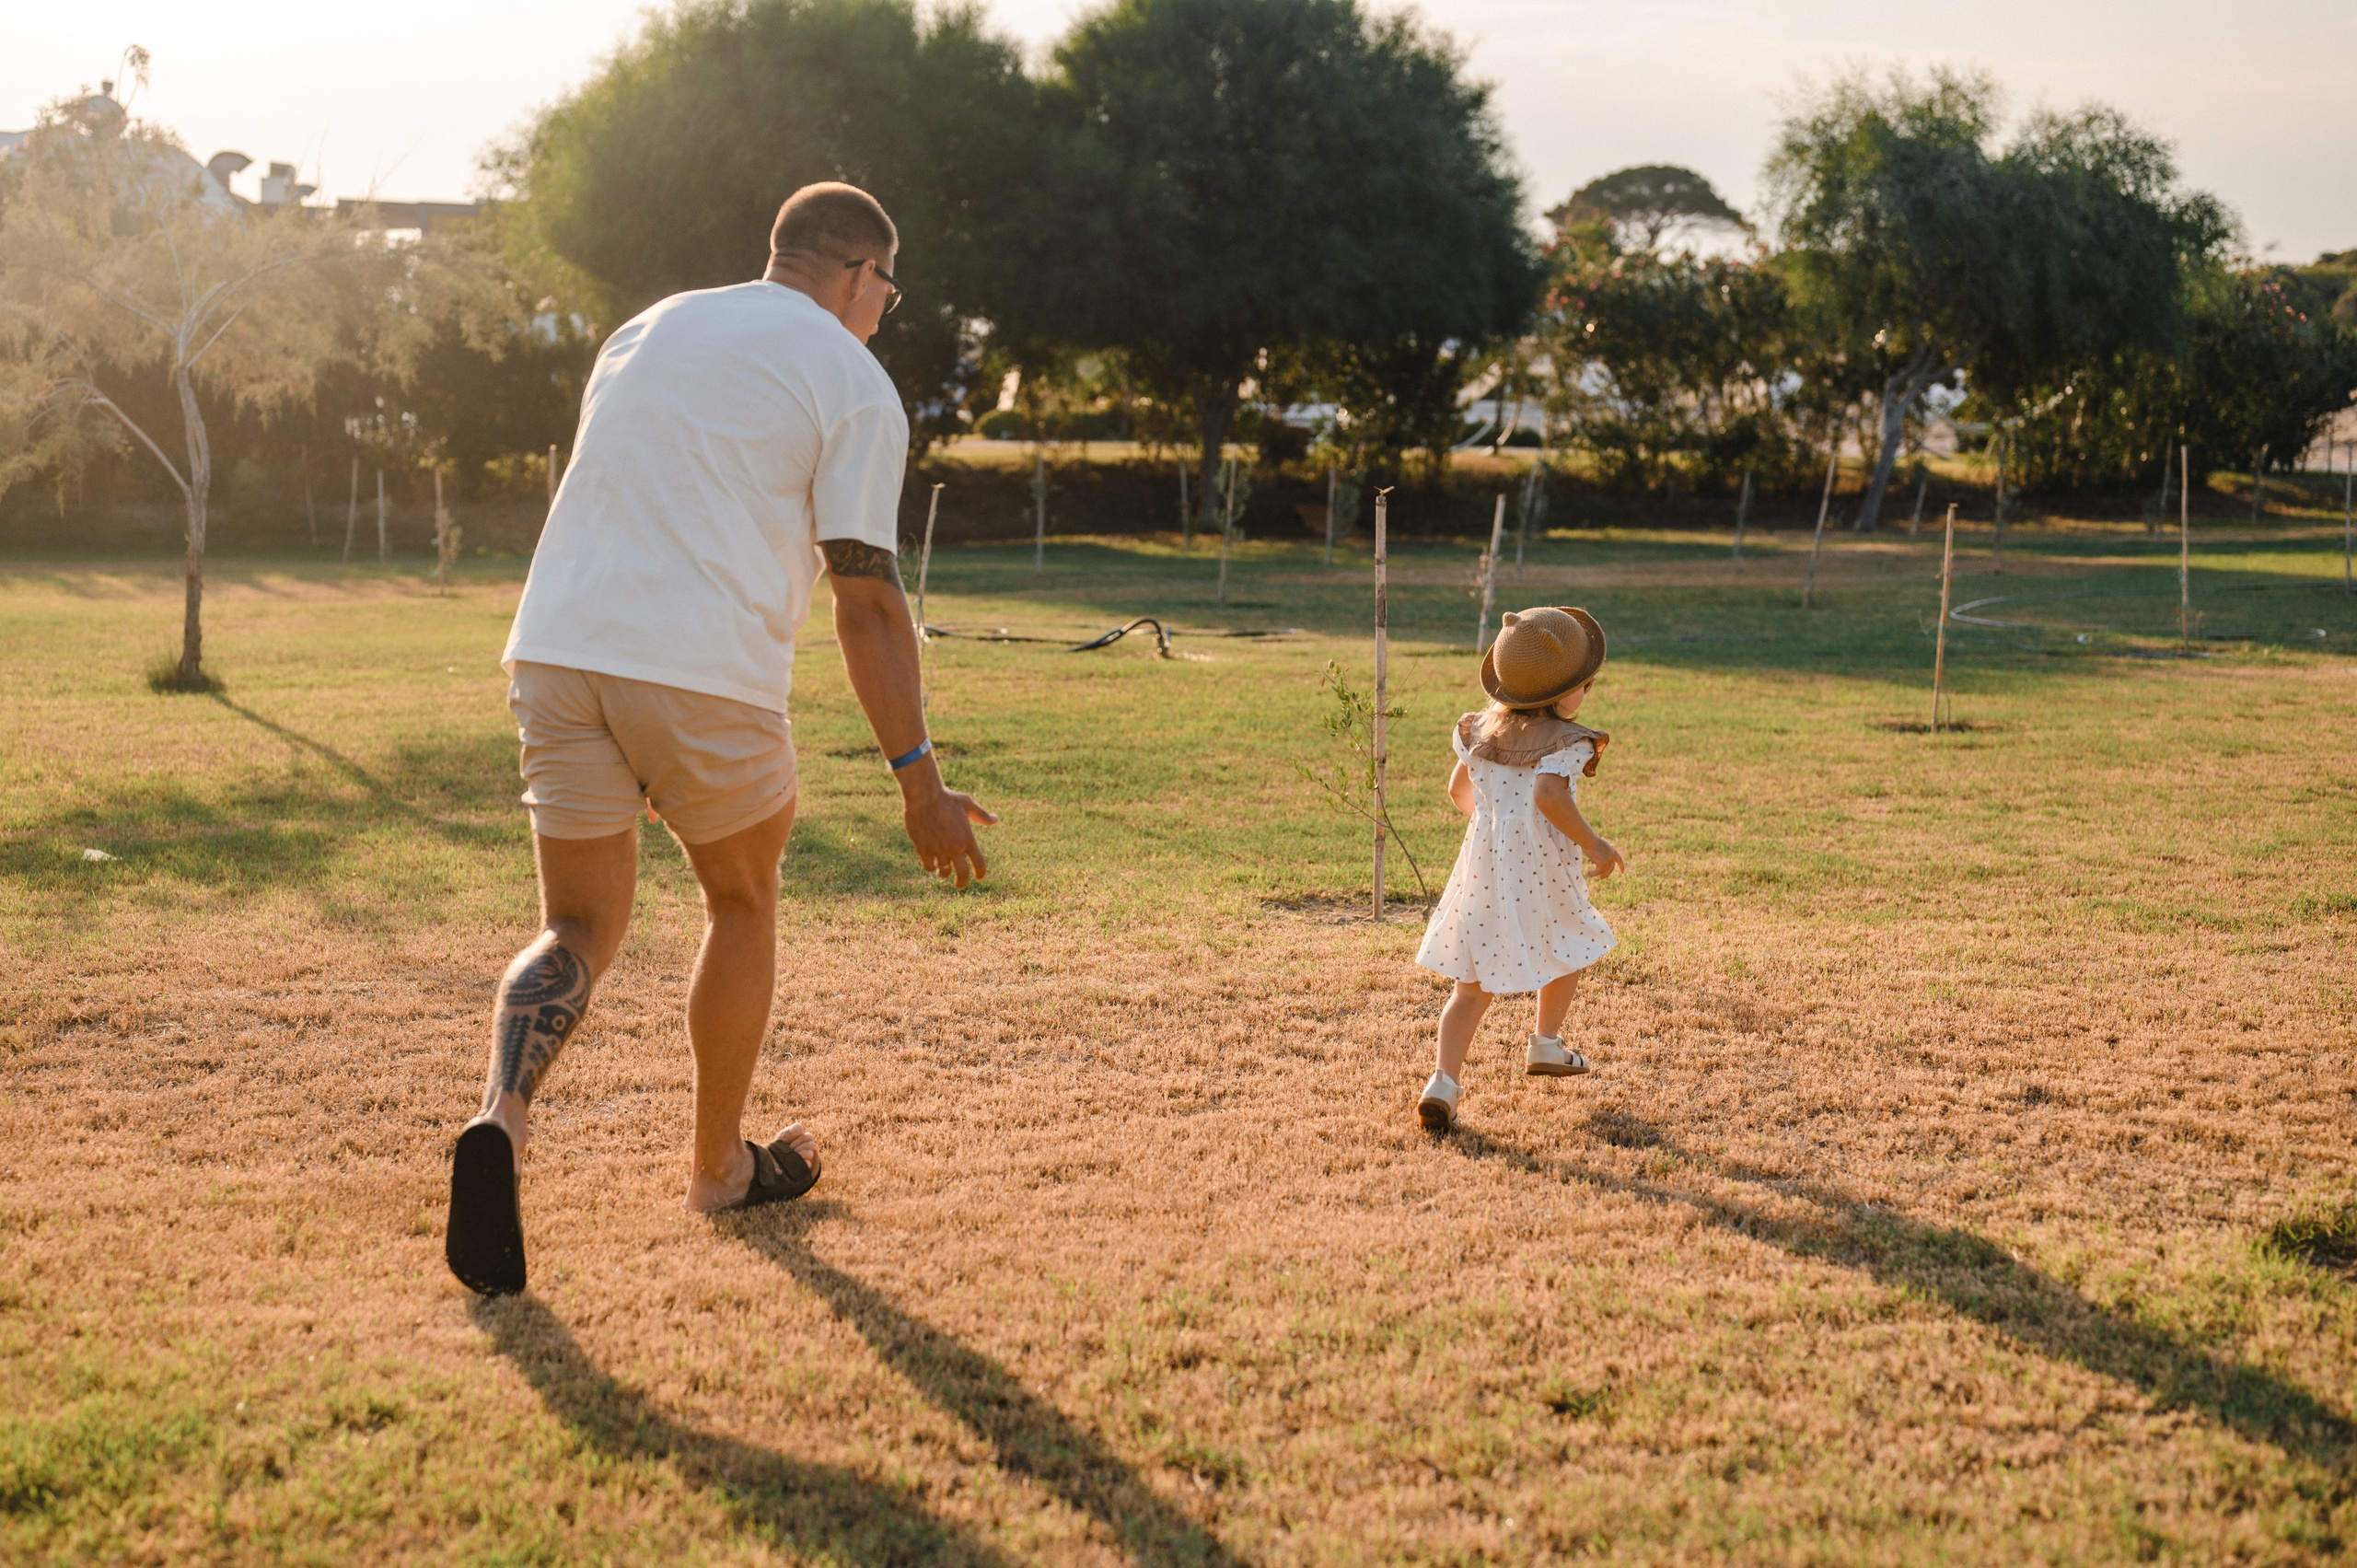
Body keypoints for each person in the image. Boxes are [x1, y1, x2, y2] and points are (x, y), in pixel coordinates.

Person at [444, 182, 996, 1298]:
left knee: (576, 923)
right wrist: (919, 785)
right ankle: (717, 1167)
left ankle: (500, 1115)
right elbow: (867, 600)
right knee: (739, 900)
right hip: (703, 670)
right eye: (888, 285)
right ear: (855, 273)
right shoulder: (852, 380)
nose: (886, 305)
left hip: (554, 644)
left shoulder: (646, 326)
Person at [1413, 607, 1627, 1132]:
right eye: (1586, 685)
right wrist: (1596, 845)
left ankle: (1443, 1082)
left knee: (1470, 986)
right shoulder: (1568, 742)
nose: (1589, 694)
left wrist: (1497, 826)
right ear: (1563, 695)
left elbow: (1458, 790)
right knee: (1568, 941)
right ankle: (1546, 1043)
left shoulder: (1480, 730)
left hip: (1484, 866)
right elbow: (1549, 794)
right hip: (1545, 868)